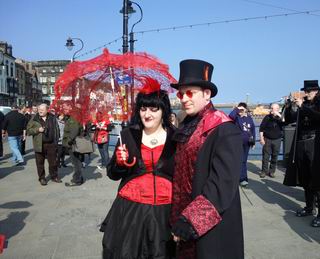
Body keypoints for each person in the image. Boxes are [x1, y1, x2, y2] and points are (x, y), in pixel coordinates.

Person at [170, 59, 244, 259]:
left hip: (209, 228)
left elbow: (223, 184)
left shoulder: (225, 130)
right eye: (180, 93)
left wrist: (190, 221)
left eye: (190, 93)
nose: (184, 99)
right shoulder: (186, 126)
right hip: (180, 223)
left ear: (207, 94)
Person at [101, 77, 176, 258]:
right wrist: (119, 163)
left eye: (153, 109)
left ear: (163, 110)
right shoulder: (128, 135)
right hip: (131, 209)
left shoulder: (176, 137)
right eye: (143, 109)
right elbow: (112, 174)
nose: (147, 114)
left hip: (165, 210)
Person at [283, 80, 320, 227]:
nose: (308, 93)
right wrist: (290, 105)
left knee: (318, 179)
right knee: (305, 177)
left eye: (310, 91)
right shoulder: (303, 104)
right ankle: (310, 207)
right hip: (301, 144)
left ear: (317, 91)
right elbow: (289, 119)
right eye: (306, 91)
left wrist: (302, 106)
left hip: (315, 144)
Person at [27, 104, 61, 185]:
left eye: (42, 109)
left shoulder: (52, 117)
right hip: (39, 144)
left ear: (47, 110)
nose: (40, 111)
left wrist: (57, 140)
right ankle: (42, 178)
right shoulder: (34, 118)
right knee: (40, 163)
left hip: (51, 144)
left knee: (53, 162)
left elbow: (57, 129)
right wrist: (37, 129)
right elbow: (28, 131)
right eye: (39, 109)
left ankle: (54, 176)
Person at [229, 102, 256, 187]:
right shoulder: (236, 118)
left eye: (242, 109)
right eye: (240, 109)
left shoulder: (249, 118)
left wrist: (253, 142)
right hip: (236, 143)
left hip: (247, 143)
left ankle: (243, 179)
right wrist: (237, 109)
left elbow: (253, 130)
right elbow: (230, 116)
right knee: (236, 160)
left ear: (245, 109)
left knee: (243, 161)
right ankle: (234, 178)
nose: (241, 111)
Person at [259, 103, 284, 178]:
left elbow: (285, 121)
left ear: (278, 109)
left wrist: (278, 115)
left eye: (275, 108)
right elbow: (261, 128)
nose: (273, 110)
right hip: (267, 139)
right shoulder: (267, 117)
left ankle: (272, 172)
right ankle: (264, 171)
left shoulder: (280, 117)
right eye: (272, 108)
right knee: (266, 156)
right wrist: (261, 138)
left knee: (275, 156)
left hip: (277, 139)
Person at [62, 104, 85, 187]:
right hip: (75, 143)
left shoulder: (73, 117)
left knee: (76, 162)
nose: (63, 109)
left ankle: (77, 180)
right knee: (77, 161)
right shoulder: (73, 116)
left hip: (73, 144)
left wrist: (68, 141)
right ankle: (79, 178)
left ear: (70, 108)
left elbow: (74, 131)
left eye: (65, 107)